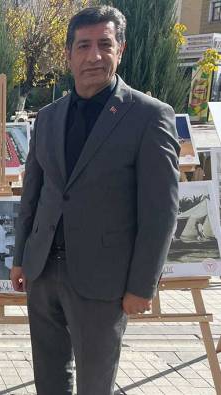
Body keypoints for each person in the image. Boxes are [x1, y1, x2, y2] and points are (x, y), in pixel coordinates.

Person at [9, 6, 179, 394]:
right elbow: (33, 193)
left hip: (105, 281)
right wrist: (20, 257)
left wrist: (142, 285)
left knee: (94, 384)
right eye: (83, 45)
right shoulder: (48, 118)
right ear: (68, 54)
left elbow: (160, 211)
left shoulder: (149, 117)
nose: (94, 56)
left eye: (105, 44)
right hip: (42, 272)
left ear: (120, 49)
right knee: (49, 379)